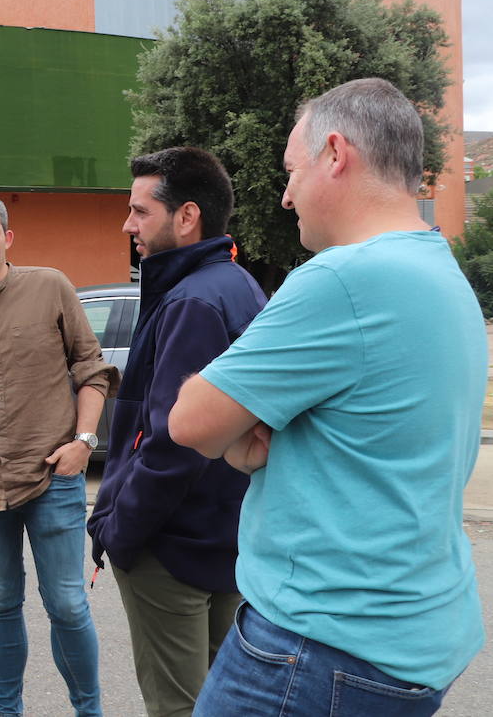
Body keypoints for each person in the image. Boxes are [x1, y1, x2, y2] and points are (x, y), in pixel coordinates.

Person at [169, 78, 486, 715]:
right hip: (416, 634)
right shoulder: (438, 267)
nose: (286, 196)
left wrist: (243, 426)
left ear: (335, 154)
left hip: (317, 647)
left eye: (291, 170)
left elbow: (191, 423)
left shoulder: (343, 278)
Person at [85, 147, 265, 717]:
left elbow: (169, 442)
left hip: (173, 549)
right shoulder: (237, 286)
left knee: (179, 708)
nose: (127, 224)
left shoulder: (193, 301)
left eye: (140, 211)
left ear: (186, 216)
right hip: (224, 540)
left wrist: (120, 528)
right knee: (224, 704)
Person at [0, 191, 117, 717]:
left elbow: (90, 368)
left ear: (8, 238)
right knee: (2, 603)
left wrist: (84, 441)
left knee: (68, 605)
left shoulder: (51, 287)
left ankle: (89, 710)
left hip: (53, 474)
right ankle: (6, 710)